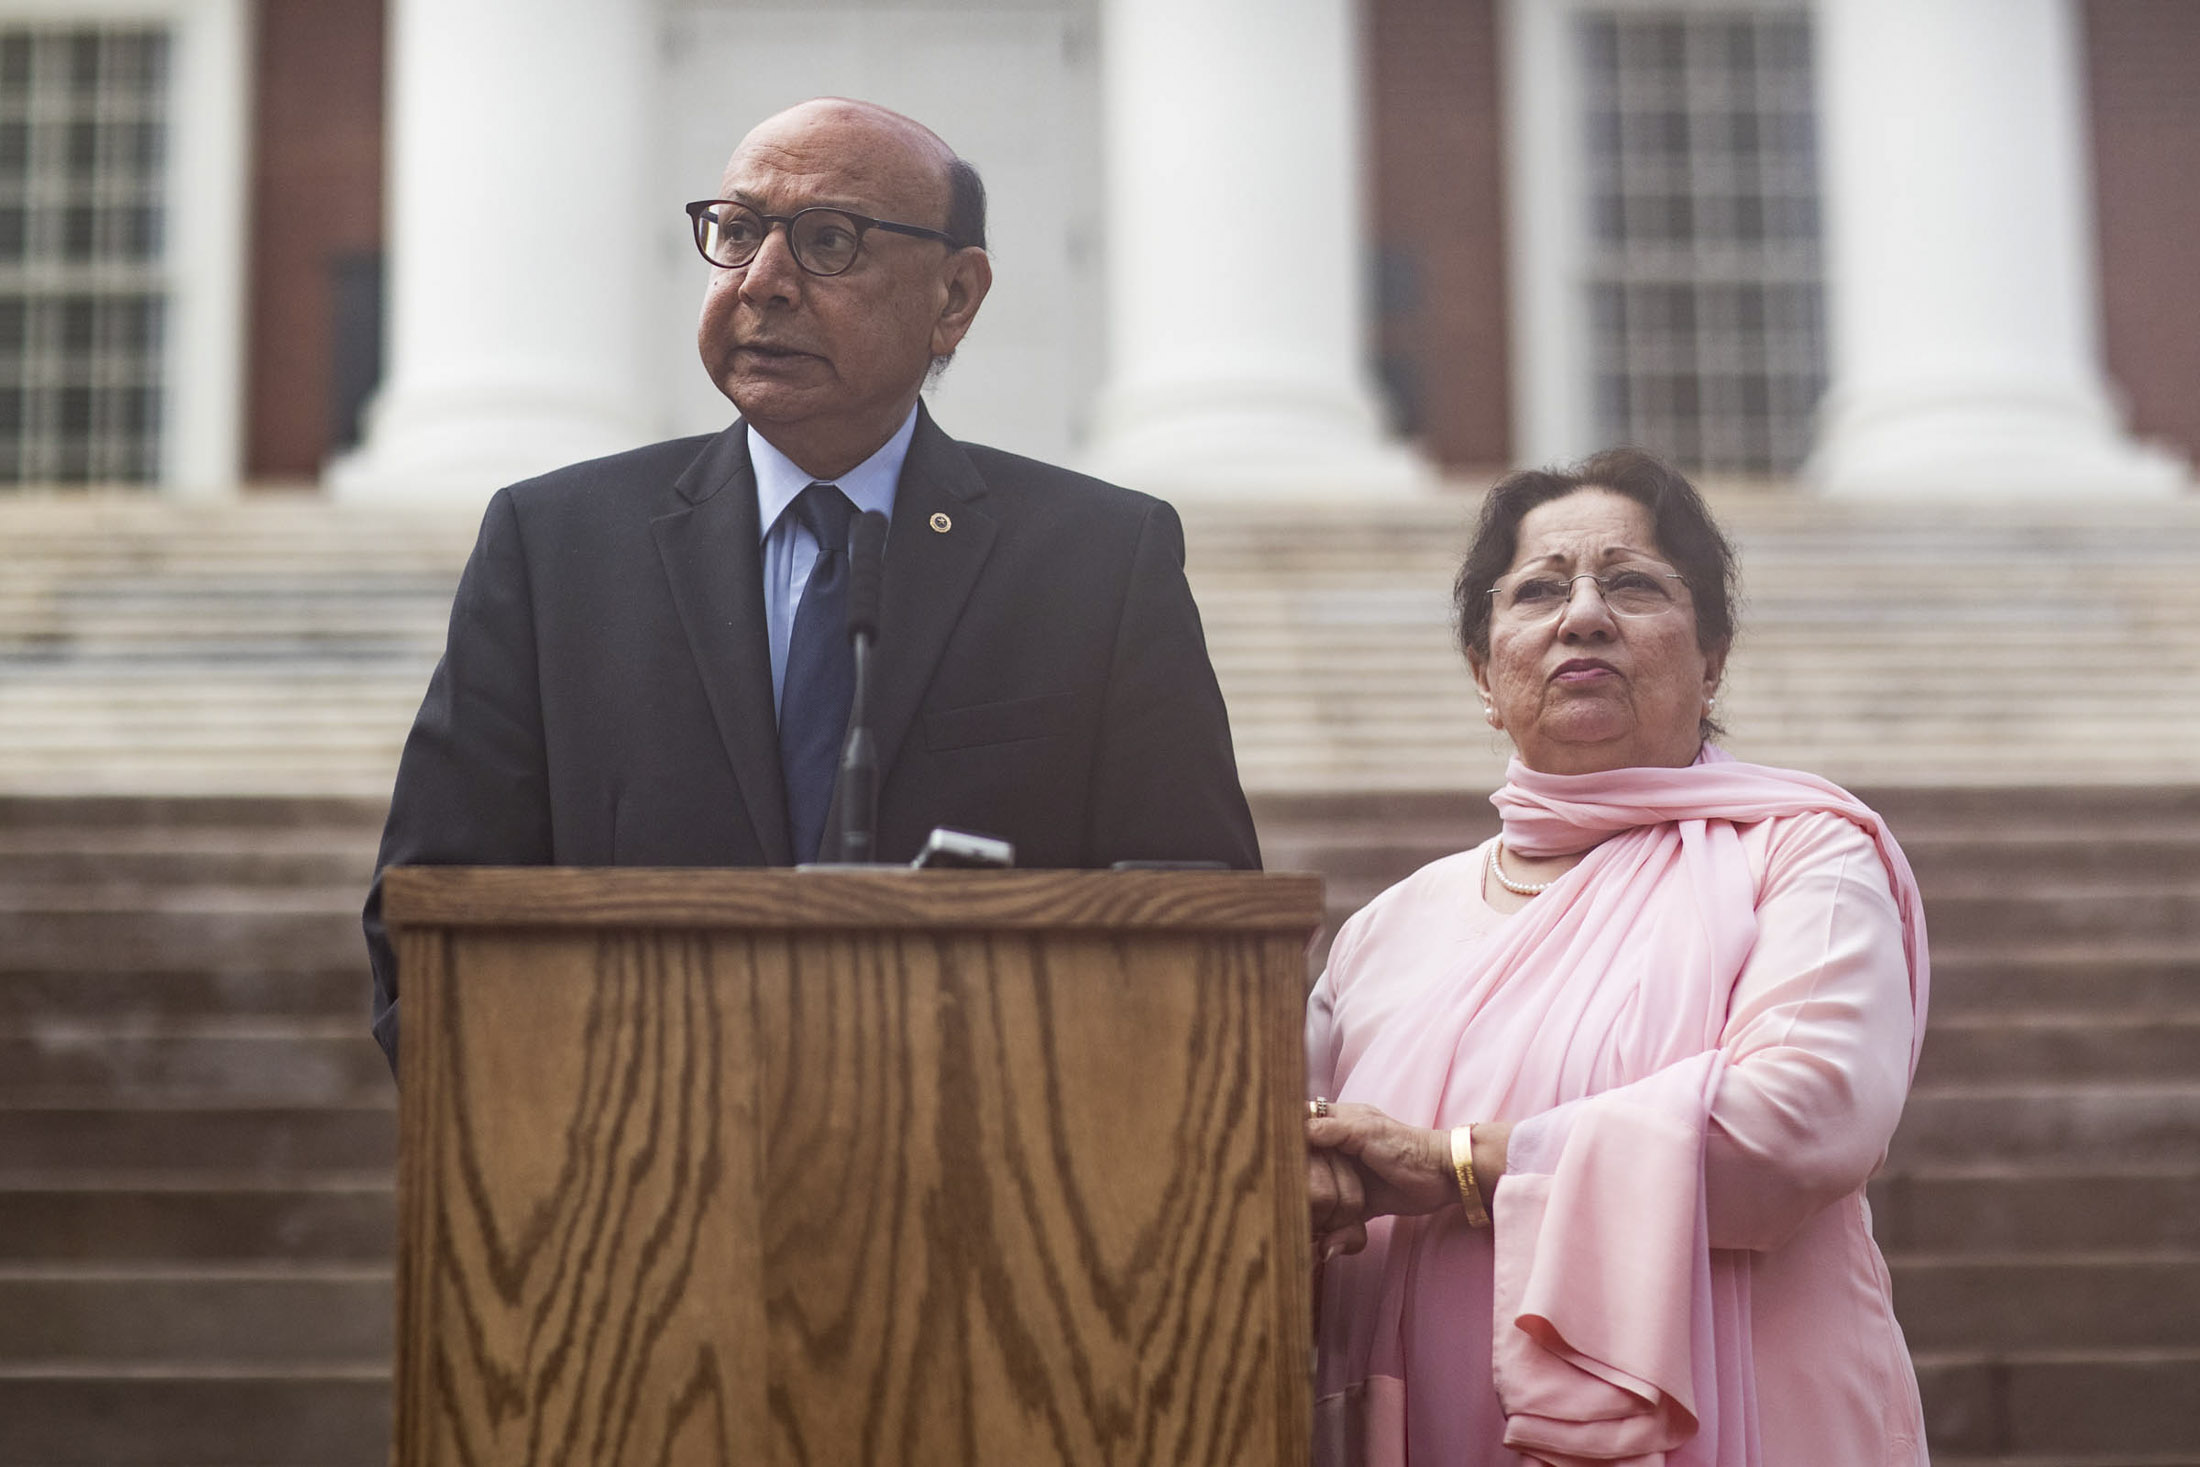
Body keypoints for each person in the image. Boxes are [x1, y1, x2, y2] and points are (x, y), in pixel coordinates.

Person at [363, 98, 1259, 1070]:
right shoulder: (554, 547)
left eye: (829, 241)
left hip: (983, 1176)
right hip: (629, 1178)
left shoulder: (1098, 558)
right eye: (738, 233)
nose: (763, 283)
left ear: (954, 298)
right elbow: (427, 922)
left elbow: (1194, 906)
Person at [1302, 449, 1929, 1465]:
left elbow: (1804, 1118)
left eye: (1631, 584)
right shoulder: (1386, 930)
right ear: (1482, 671)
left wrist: (1453, 1164)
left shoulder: (1802, 854)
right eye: (1540, 589)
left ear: (1711, 657)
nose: (1582, 615)